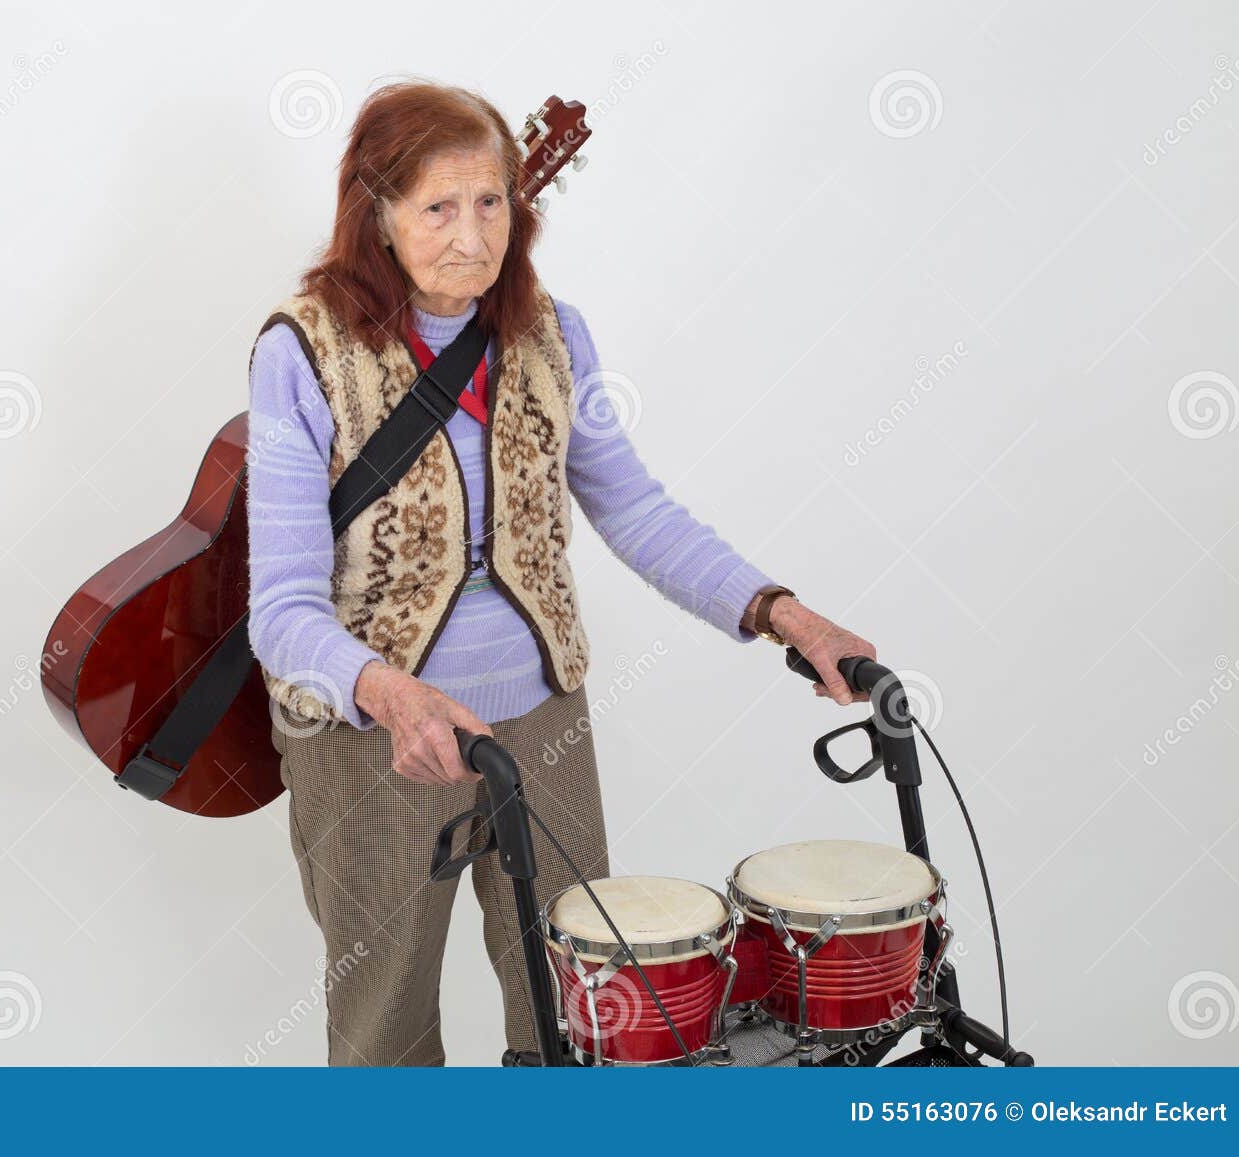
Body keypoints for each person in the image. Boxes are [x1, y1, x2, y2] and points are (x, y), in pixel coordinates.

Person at [244, 81, 875, 1066]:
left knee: (583, 1017)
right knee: (384, 1033)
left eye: (490, 200)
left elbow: (632, 506)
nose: (470, 232)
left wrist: (778, 610)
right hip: (371, 743)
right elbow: (280, 608)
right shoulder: (302, 352)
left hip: (541, 721)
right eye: (436, 207)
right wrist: (391, 695)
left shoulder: (550, 333)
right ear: (376, 214)